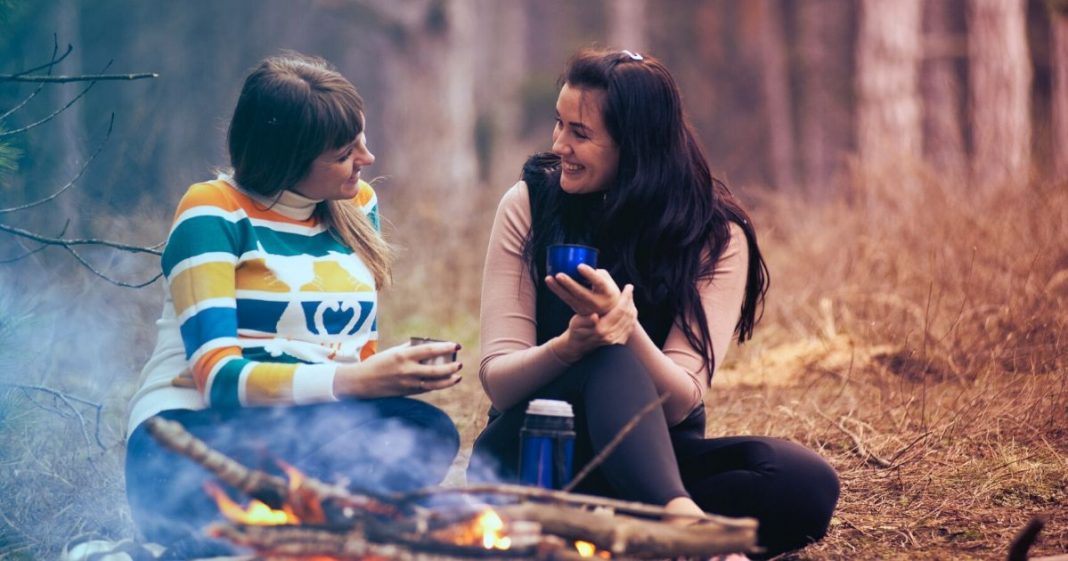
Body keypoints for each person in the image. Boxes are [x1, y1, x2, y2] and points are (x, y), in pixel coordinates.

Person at [469, 49, 839, 558]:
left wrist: (628, 330)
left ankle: (634, 531)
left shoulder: (715, 234)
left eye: (580, 133)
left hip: (652, 459)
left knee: (804, 481)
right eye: (559, 124)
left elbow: (682, 397)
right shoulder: (530, 205)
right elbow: (500, 381)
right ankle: (683, 531)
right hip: (533, 457)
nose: (560, 145)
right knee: (603, 355)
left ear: (636, 145)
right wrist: (571, 347)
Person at [125, 53, 462, 558]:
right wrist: (354, 382)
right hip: (189, 441)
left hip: (303, 430)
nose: (366, 159)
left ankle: (298, 536)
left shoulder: (356, 204)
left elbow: (352, 351)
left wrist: (384, 377)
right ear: (287, 158)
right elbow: (218, 381)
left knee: (424, 430)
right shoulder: (212, 211)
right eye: (346, 151)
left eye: (362, 140)